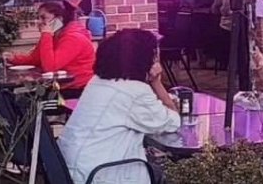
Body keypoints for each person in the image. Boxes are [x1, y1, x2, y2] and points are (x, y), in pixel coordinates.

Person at [58, 29, 180, 184]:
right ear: (144, 59)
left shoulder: (96, 81)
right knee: (170, 174)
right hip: (100, 173)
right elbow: (173, 122)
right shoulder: (135, 91)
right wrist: (156, 82)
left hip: (71, 167)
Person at [5, 0, 95, 97]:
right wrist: (13, 58)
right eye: (38, 18)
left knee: (23, 99)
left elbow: (50, 67)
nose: (39, 22)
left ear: (58, 20)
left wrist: (46, 35)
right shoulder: (52, 35)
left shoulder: (73, 38)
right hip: (58, 85)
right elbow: (35, 59)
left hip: (76, 89)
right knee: (15, 97)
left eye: (43, 18)